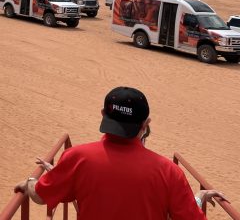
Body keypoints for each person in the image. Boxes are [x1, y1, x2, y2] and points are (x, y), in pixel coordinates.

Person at [14, 86, 228, 219]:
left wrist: (30, 182)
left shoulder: (77, 158)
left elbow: (40, 196)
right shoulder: (170, 172)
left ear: (102, 114)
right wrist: (198, 198)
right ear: (145, 124)